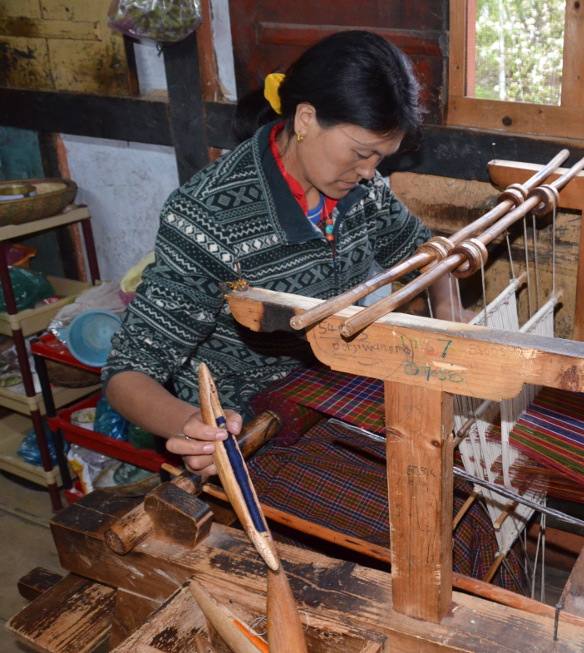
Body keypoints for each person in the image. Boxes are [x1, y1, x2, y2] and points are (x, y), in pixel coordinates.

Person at [103, 30, 465, 476]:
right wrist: (191, 425)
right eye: (361, 153)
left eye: (381, 158)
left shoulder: (361, 189)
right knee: (406, 505)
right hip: (254, 421)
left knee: (448, 466)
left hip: (335, 387)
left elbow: (425, 255)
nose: (371, 173)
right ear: (306, 119)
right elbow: (128, 371)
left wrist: (452, 327)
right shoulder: (208, 216)